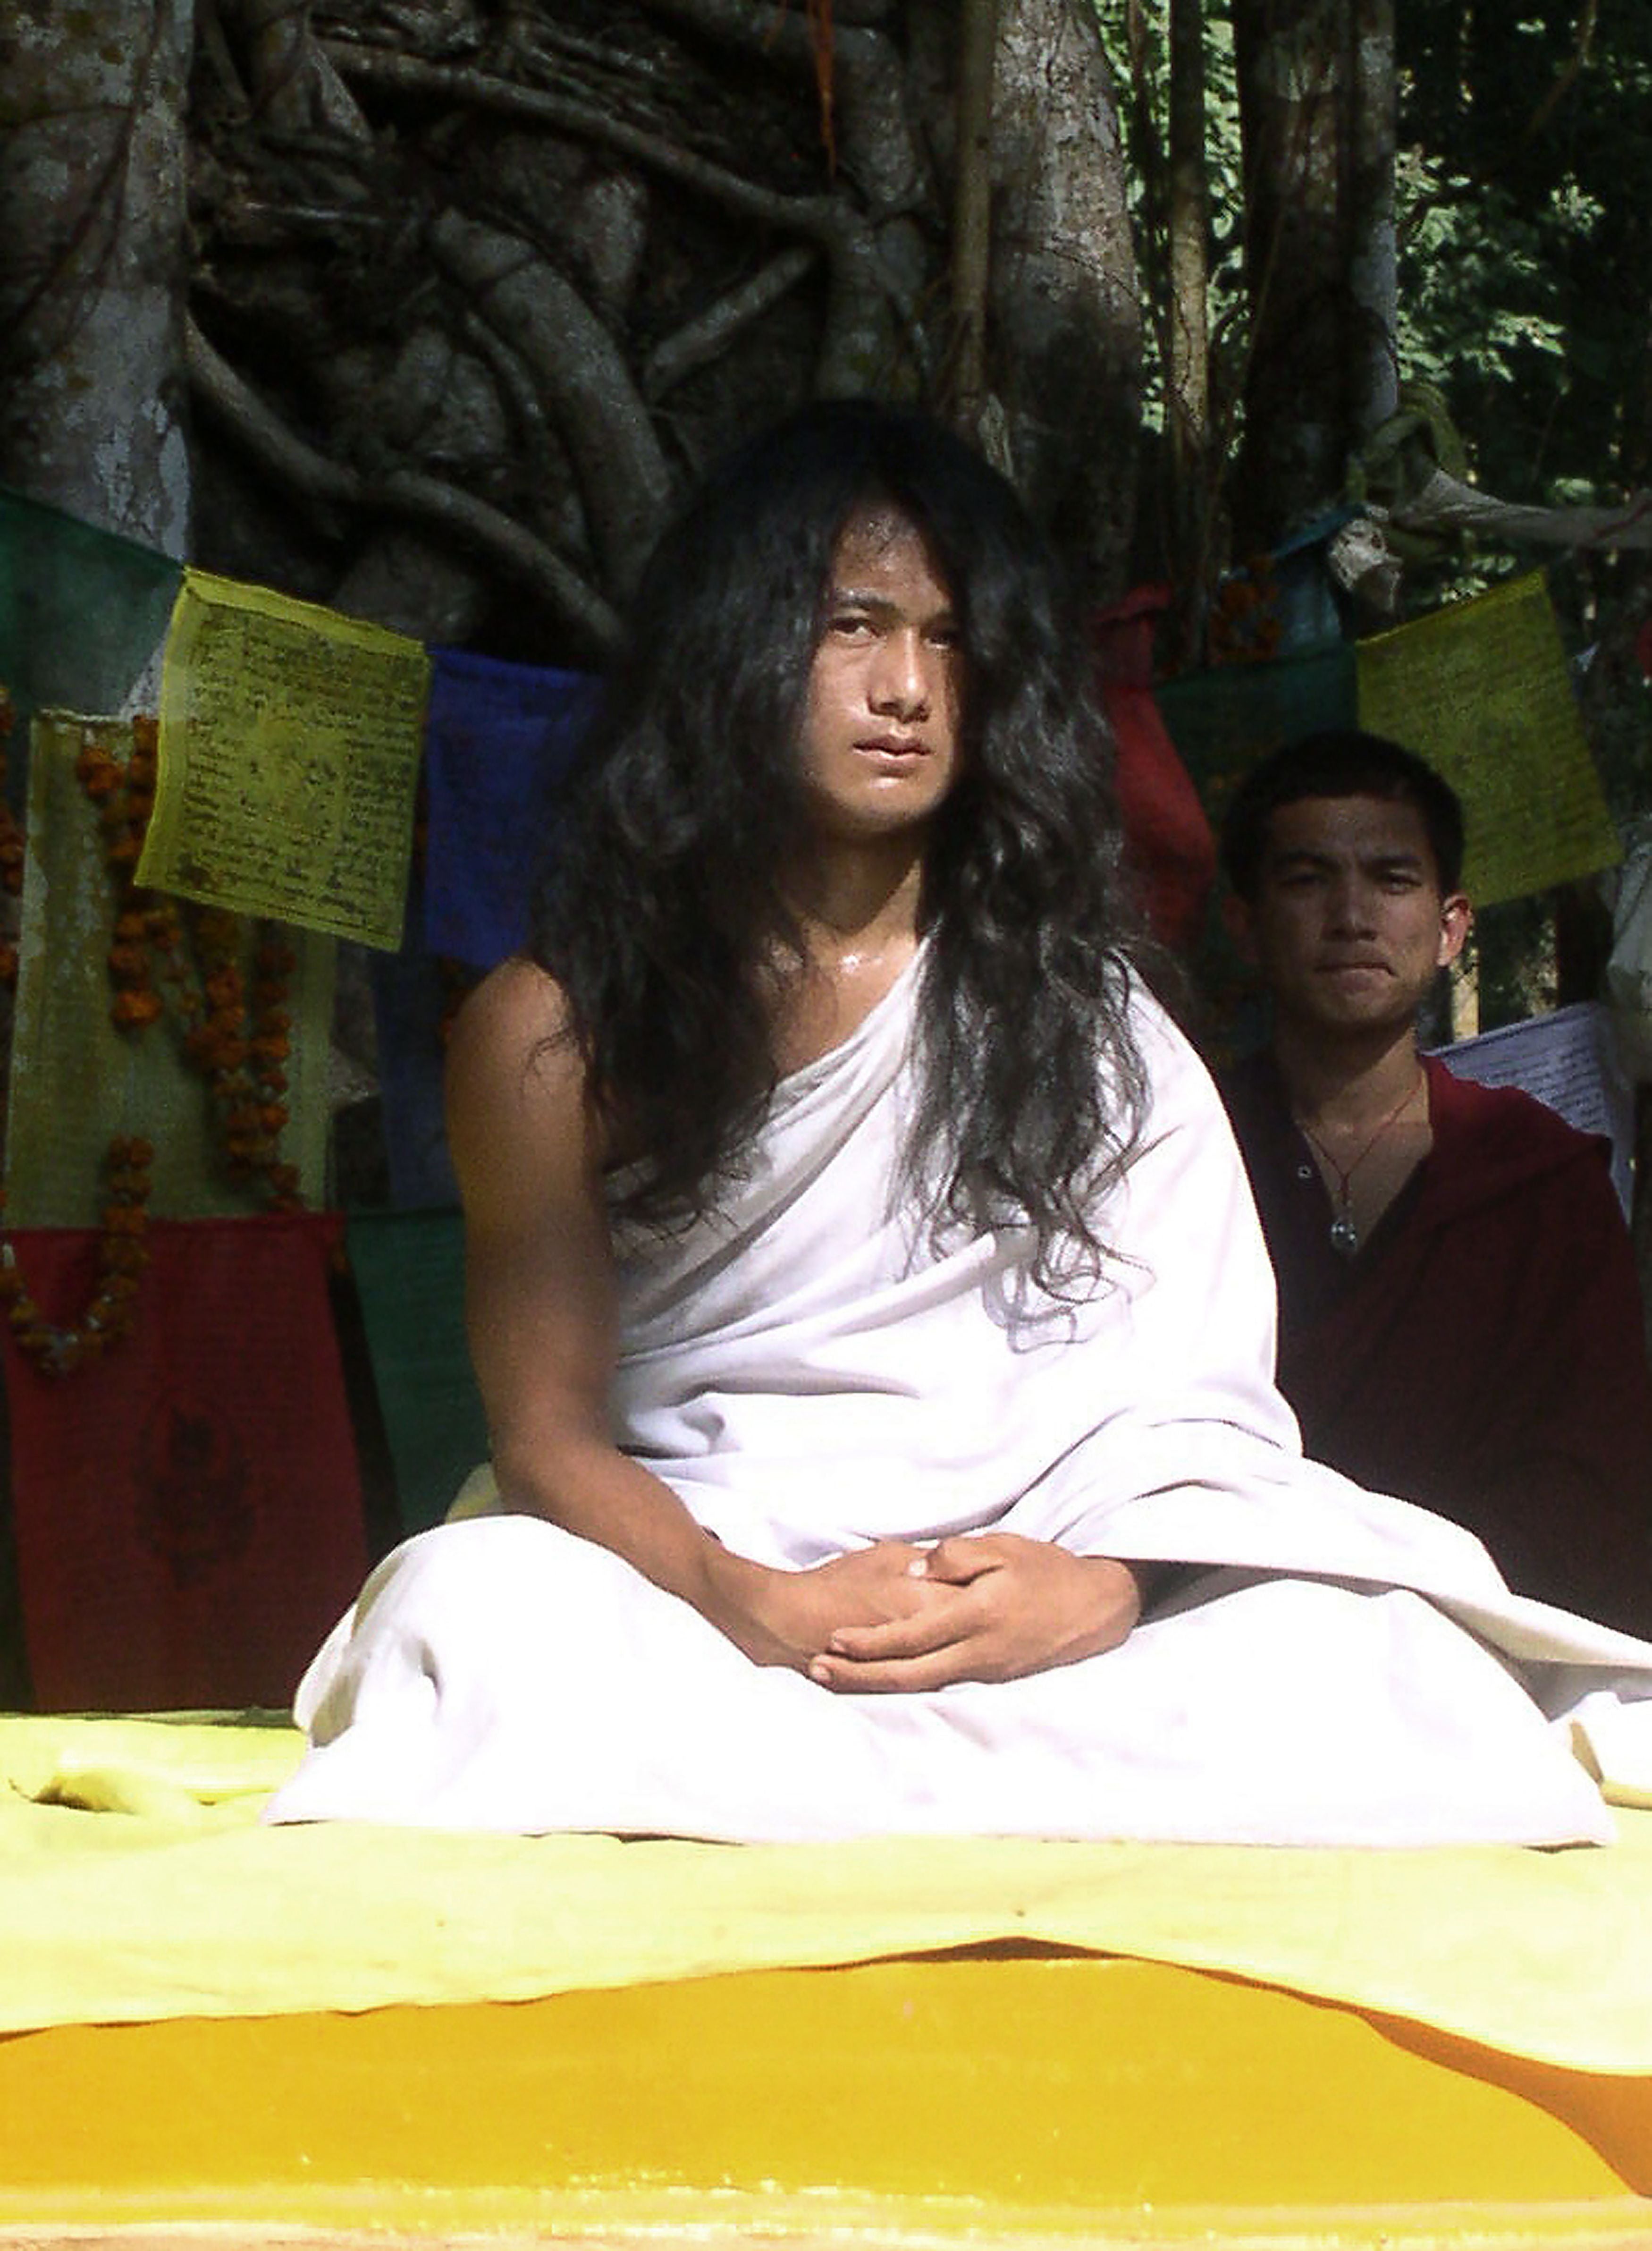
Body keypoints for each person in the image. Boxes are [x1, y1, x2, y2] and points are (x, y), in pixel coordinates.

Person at [268, 404, 1652, 1847]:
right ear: (735, 654)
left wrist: (1105, 1583)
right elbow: (548, 1438)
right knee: (473, 1614)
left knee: (1373, 1652)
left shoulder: (1087, 1012)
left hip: (1031, 1567)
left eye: (946, 641)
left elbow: (1191, 1397)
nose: (905, 688)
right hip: (695, 1564)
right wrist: (758, 1603)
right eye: (854, 627)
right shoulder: (553, 1028)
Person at [1218, 728, 1652, 1633]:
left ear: (1452, 926)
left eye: (1393, 880)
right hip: (1226, 1626)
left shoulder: (1537, 1178)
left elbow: (1595, 1480)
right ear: (1245, 926)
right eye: (1307, 880)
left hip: (1486, 1638)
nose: (1352, 916)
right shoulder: (1180, 1149)